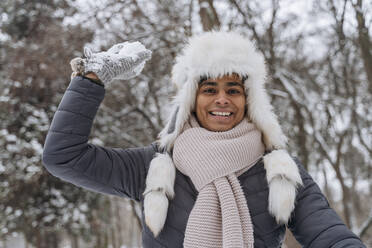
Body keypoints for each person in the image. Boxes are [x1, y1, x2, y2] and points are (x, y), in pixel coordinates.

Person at [42, 31, 366, 248]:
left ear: (249, 100)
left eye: (234, 90)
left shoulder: (279, 170)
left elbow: (328, 234)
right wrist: (92, 78)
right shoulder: (153, 165)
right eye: (209, 89)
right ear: (191, 100)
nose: (222, 99)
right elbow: (64, 157)